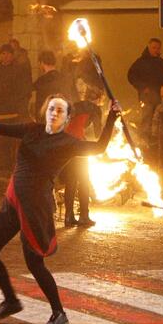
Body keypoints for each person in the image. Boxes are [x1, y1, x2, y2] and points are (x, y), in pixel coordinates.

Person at [0, 95, 119, 324]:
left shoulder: (67, 142)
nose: (54, 113)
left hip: (36, 208)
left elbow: (99, 147)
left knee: (34, 264)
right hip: (14, 202)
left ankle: (59, 312)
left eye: (60, 111)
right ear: (45, 110)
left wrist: (112, 116)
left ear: (67, 118)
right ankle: (10, 301)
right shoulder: (31, 129)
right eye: (52, 108)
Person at [61, 88, 102, 227]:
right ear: (99, 99)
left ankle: (68, 216)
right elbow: (97, 134)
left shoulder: (75, 105)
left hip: (66, 145)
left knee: (71, 181)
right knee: (84, 180)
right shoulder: (95, 109)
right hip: (79, 146)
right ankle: (84, 216)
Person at [0, 43, 32, 169]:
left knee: (15, 138)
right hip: (0, 109)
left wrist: (20, 105)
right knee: (1, 138)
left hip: (15, 109)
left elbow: (24, 89)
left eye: (8, 54)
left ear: (12, 55)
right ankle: (2, 162)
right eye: (3, 54)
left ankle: (15, 163)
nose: (6, 56)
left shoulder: (19, 70)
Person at [127, 38, 163, 147]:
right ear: (149, 47)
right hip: (147, 98)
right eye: (154, 47)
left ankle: (158, 145)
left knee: (159, 121)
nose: (156, 50)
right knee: (146, 120)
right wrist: (142, 87)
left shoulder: (162, 63)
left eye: (158, 48)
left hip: (160, 97)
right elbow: (131, 76)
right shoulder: (140, 62)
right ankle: (144, 144)